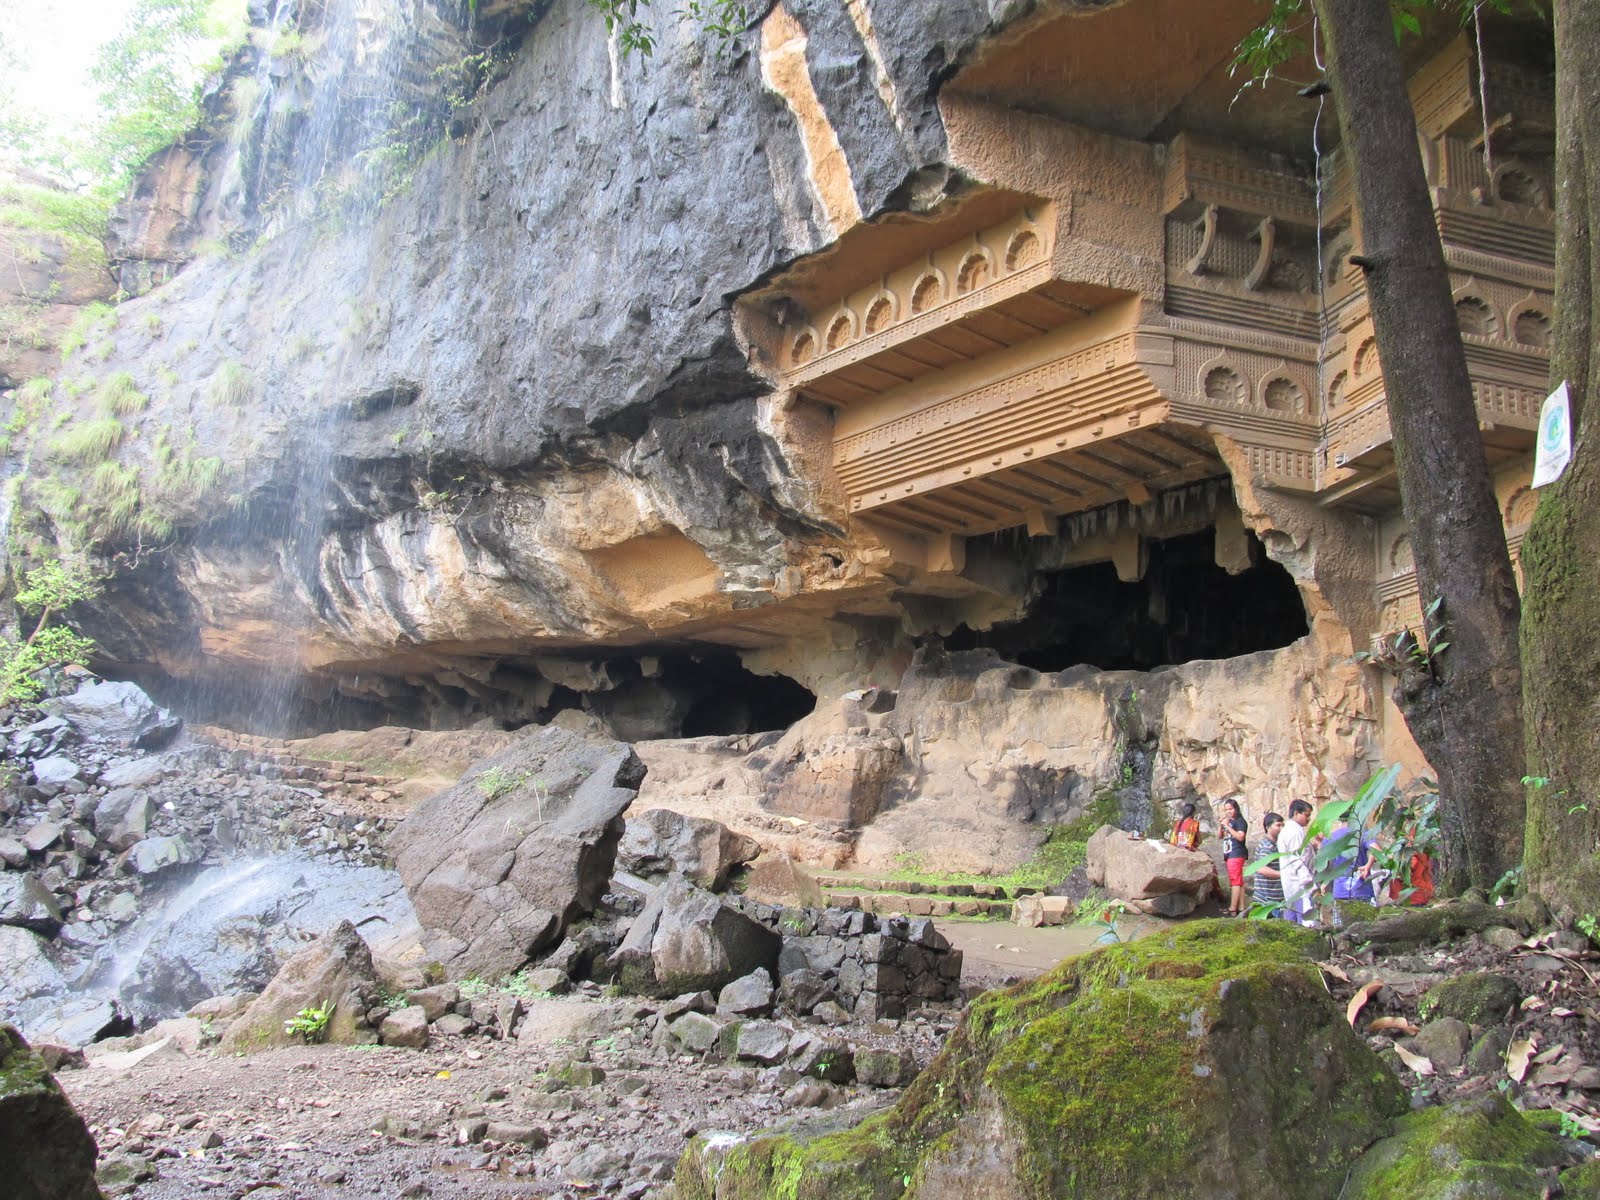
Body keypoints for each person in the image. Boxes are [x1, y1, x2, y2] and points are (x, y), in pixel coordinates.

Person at [1277, 799, 1316, 924]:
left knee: (1292, 922)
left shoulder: (1287, 831)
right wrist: (1311, 886)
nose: (1308, 819)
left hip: (1291, 886)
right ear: (1296, 813)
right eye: (1306, 815)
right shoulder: (1295, 832)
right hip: (1300, 885)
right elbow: (1298, 861)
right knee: (1307, 923)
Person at [1217, 798, 1250, 915]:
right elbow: (1219, 836)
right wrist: (1221, 825)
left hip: (1237, 852)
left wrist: (1228, 826)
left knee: (1235, 881)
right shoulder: (1229, 821)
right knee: (1238, 880)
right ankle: (1241, 908)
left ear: (1236, 808)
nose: (1228, 812)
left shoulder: (1240, 821)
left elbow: (1240, 837)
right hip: (1230, 853)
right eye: (1226, 810)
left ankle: (1232, 908)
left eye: (1230, 809)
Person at [1251, 812, 1286, 917]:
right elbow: (1261, 868)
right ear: (1268, 827)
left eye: (1282, 825)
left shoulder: (1276, 844)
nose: (1281, 828)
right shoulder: (1267, 846)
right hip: (1267, 899)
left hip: (1274, 898)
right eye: (1278, 825)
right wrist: (1283, 874)